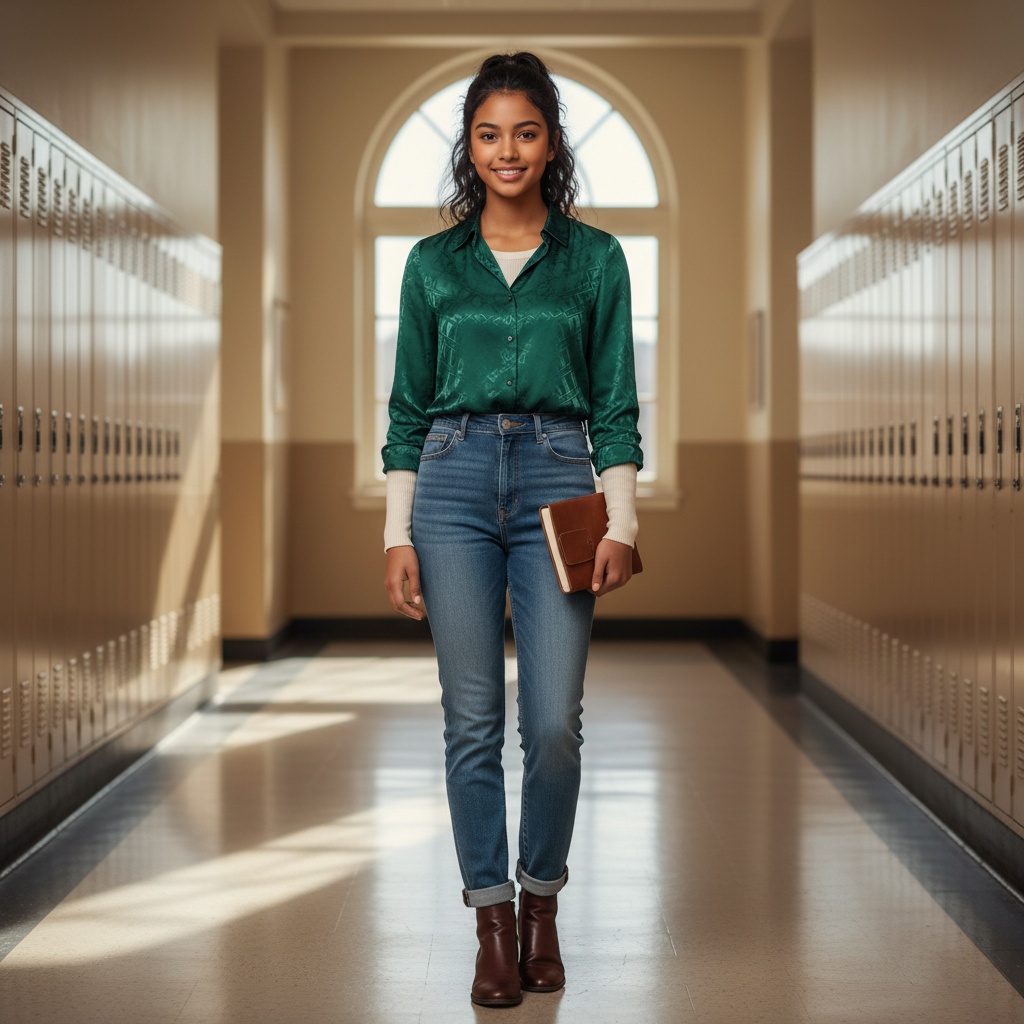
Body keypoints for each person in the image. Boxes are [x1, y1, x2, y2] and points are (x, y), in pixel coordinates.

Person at [382, 52, 643, 1008]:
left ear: (551, 142)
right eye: (488, 134)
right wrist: (396, 533)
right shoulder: (431, 264)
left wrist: (621, 519)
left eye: (525, 132)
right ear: (469, 145)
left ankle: (542, 904)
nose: (507, 151)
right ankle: (492, 924)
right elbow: (406, 410)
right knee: (471, 721)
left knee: (554, 724)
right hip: (450, 483)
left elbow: (615, 405)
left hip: (558, 478)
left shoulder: (596, 259)